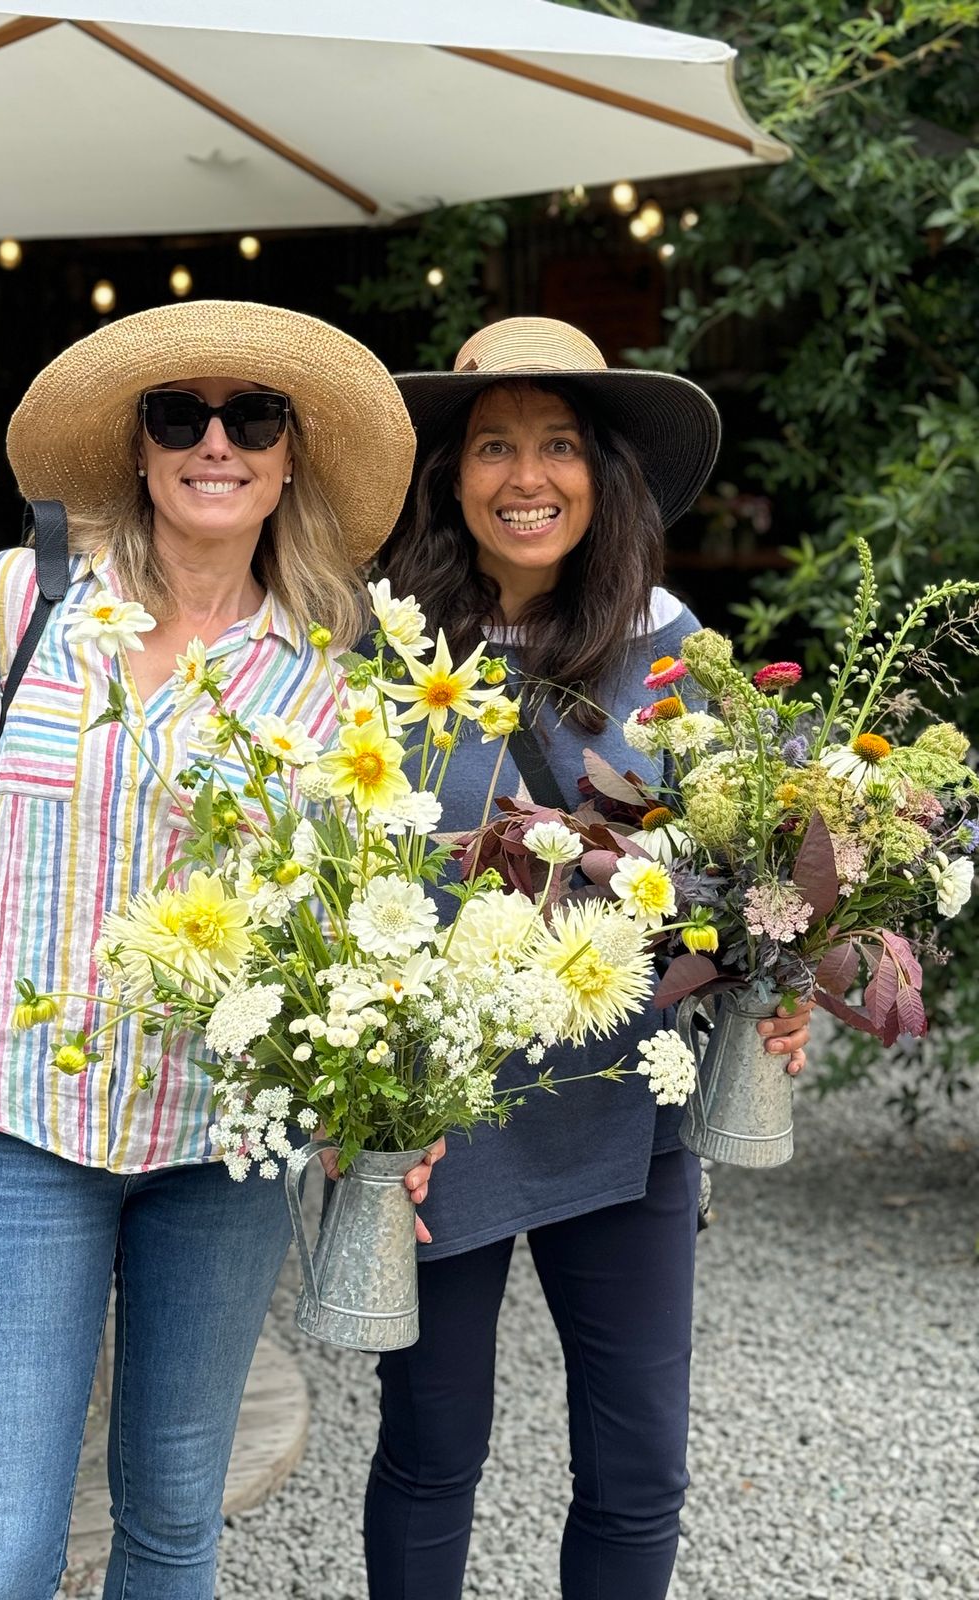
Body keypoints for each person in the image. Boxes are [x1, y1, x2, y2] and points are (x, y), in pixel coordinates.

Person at [0, 301, 437, 1600]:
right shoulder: (21, 604)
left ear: (289, 460)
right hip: (14, 1122)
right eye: (182, 415)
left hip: (221, 1141)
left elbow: (353, 913)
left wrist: (382, 1104)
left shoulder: (332, 671)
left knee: (172, 1525)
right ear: (141, 448)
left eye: (252, 418)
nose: (215, 443)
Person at [365, 317, 814, 1600]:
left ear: (602, 472)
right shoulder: (389, 650)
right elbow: (334, 869)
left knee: (637, 1464)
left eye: (559, 443)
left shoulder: (670, 647)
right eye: (494, 443)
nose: (527, 475)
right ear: (449, 473)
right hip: (439, 1106)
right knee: (431, 1449)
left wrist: (775, 991)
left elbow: (743, 875)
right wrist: (355, 1095)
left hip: (626, 1100)